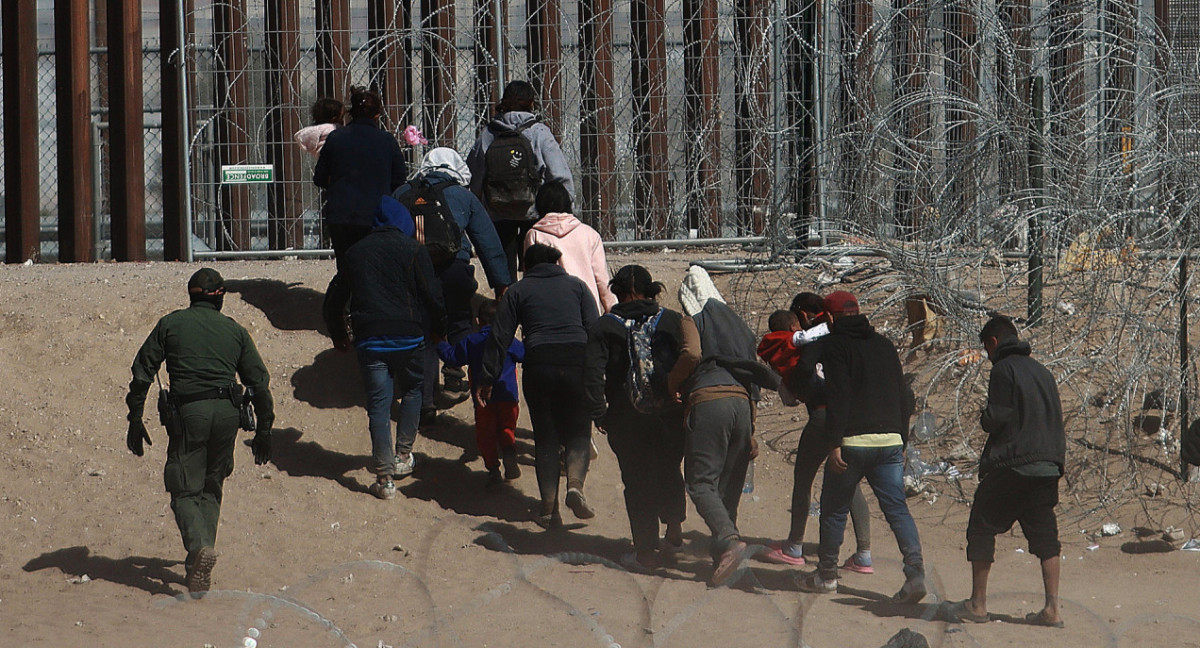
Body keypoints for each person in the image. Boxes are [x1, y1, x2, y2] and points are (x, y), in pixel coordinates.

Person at [124, 268, 275, 595]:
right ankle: (198, 560)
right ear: (220, 297)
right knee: (212, 484)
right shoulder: (234, 331)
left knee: (182, 487)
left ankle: (198, 548)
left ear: (190, 294)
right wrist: (264, 431)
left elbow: (142, 373)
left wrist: (135, 418)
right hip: (227, 415)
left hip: (189, 413)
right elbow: (259, 384)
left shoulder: (171, 324)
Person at [799, 291, 925, 604]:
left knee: (834, 508)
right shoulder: (884, 345)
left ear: (829, 318)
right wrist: (902, 441)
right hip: (891, 442)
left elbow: (838, 394)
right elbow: (903, 396)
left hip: (852, 442)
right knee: (897, 510)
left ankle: (826, 575)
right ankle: (916, 574)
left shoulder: (834, 345)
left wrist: (834, 442)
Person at [944, 316, 1065, 627]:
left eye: (986, 349)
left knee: (981, 526)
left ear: (993, 342)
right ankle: (1052, 609)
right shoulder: (1043, 372)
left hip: (1013, 463)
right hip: (1048, 465)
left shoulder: (1003, 369)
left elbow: (999, 415)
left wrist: (984, 419)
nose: (986, 356)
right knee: (1045, 537)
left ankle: (978, 604)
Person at [322, 202, 447, 500]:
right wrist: (439, 329)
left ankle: (384, 477)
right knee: (414, 389)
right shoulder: (414, 250)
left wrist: (339, 334)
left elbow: (333, 300)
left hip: (371, 339)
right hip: (410, 335)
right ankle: (404, 455)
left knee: (378, 404)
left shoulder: (356, 253)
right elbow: (433, 294)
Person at [584, 265, 700, 572]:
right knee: (669, 467)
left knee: (637, 482)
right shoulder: (673, 320)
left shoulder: (604, 326)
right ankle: (674, 528)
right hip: (669, 414)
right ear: (652, 291)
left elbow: (592, 373)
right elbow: (689, 362)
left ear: (617, 292)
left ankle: (646, 552)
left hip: (626, 417)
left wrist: (600, 412)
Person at [478, 243, 599, 529]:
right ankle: (574, 486)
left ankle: (548, 510)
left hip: (539, 365)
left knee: (546, 437)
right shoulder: (578, 286)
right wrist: (598, 376)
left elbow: (500, 336)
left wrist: (487, 377)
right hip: (576, 363)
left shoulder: (517, 291)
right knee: (579, 432)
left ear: (526, 267)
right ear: (558, 261)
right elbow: (595, 331)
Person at [393, 146, 512, 424]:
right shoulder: (463, 196)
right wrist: (501, 283)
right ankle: (456, 377)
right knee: (459, 321)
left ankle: (425, 404)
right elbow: (488, 243)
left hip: (415, 271)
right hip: (454, 270)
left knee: (423, 332)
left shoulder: (402, 194)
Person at [677, 265, 779, 586]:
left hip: (710, 400)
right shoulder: (739, 326)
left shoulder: (694, 319)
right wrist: (752, 426)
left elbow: (691, 353)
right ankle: (723, 554)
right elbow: (752, 374)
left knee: (700, 482)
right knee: (728, 485)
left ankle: (729, 542)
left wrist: (672, 384)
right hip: (741, 405)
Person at [756, 299, 872, 571]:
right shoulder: (845, 342)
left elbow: (790, 396)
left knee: (803, 479)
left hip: (822, 417)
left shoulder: (798, 342)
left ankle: (794, 546)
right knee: (850, 481)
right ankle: (864, 554)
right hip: (851, 417)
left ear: (801, 318)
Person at [467, 80, 574, 280]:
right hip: (533, 213)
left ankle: (506, 301)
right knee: (535, 269)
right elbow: (559, 174)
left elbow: (475, 175)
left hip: (498, 211)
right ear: (531, 103)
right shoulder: (538, 132)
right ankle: (530, 300)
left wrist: (481, 208)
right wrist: (566, 207)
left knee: (503, 271)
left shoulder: (489, 133)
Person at [437, 299, 524, 490]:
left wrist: (440, 343)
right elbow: (524, 355)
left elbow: (452, 357)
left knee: (485, 434)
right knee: (506, 428)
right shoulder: (509, 339)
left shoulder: (472, 341)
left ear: (478, 320)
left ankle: (493, 471)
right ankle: (509, 451)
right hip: (509, 395)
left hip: (483, 399)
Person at [314, 87, 408, 264]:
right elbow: (399, 180)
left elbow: (319, 178)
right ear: (377, 115)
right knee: (372, 268)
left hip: (341, 216)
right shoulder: (387, 141)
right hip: (376, 216)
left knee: (346, 268)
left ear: (351, 113)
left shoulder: (335, 138)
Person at [524, 181, 617, 314]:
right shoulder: (589, 234)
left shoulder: (535, 234)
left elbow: (530, 277)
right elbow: (602, 281)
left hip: (549, 310)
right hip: (587, 309)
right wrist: (613, 315)